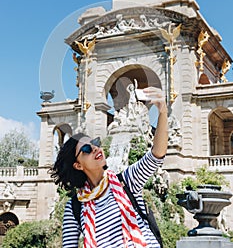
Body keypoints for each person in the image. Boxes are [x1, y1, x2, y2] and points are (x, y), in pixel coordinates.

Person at [50, 87, 168, 248]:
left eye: (95, 143)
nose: (95, 149)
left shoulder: (127, 181)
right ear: (77, 165)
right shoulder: (75, 207)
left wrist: (162, 112)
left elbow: (157, 154)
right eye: (86, 149)